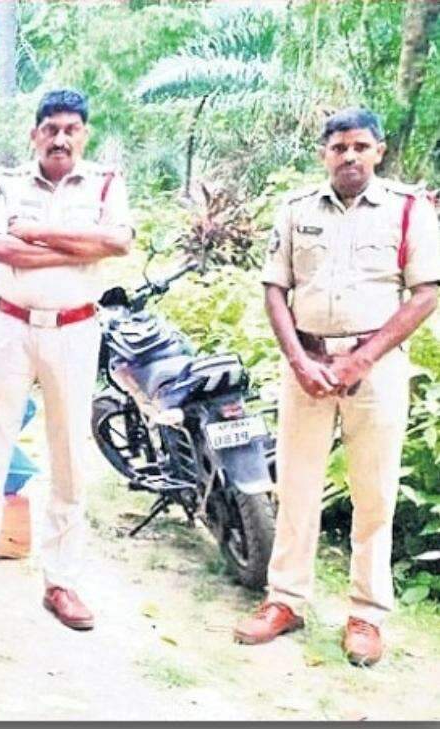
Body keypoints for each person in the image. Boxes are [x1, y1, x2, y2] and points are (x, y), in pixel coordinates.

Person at [234, 108, 440, 666]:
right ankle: (285, 600)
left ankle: (366, 615)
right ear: (323, 153)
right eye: (339, 147)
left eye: (360, 146)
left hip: (376, 368)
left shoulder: (408, 210)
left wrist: (362, 360)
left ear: (379, 151)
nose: (349, 156)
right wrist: (299, 360)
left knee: (373, 492)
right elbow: (274, 290)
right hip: (308, 364)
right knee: (296, 486)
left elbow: (425, 294)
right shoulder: (296, 209)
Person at [0, 89, 134, 629]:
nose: (60, 139)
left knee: (69, 457)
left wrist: (39, 234)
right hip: (11, 326)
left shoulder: (105, 183)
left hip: (74, 330)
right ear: (34, 135)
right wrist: (78, 247)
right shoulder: (9, 183)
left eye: (71, 129)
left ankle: (62, 583)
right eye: (51, 129)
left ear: (84, 135)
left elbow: (117, 243)